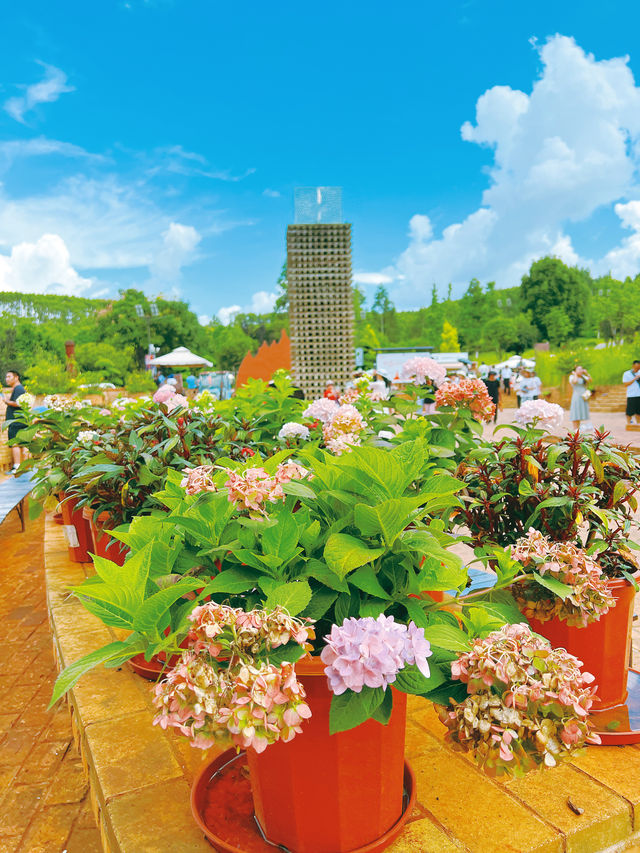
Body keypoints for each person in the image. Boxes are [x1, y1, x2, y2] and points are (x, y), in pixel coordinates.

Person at [3, 370, 26, 473]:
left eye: (9, 376)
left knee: (15, 444)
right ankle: (22, 466)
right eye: (6, 377)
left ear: (16, 377)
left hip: (15, 421)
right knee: (20, 444)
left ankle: (17, 466)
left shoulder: (18, 388)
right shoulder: (18, 388)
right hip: (18, 420)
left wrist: (7, 401)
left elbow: (19, 403)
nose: (6, 379)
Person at [569, 365, 592, 430]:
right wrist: (575, 374)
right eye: (579, 369)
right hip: (576, 396)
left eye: (581, 369)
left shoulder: (583, 377)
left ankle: (578, 429)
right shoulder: (572, 377)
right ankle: (575, 429)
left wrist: (586, 373)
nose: (581, 370)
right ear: (575, 370)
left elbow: (590, 380)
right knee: (576, 412)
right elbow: (575, 381)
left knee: (580, 412)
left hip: (583, 397)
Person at [622, 359, 640, 425]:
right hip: (631, 395)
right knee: (629, 411)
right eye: (636, 367)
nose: (637, 369)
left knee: (639, 411)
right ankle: (629, 424)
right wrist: (635, 378)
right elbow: (626, 384)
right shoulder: (627, 374)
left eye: (639, 368)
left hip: (639, 395)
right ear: (633, 366)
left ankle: (638, 424)